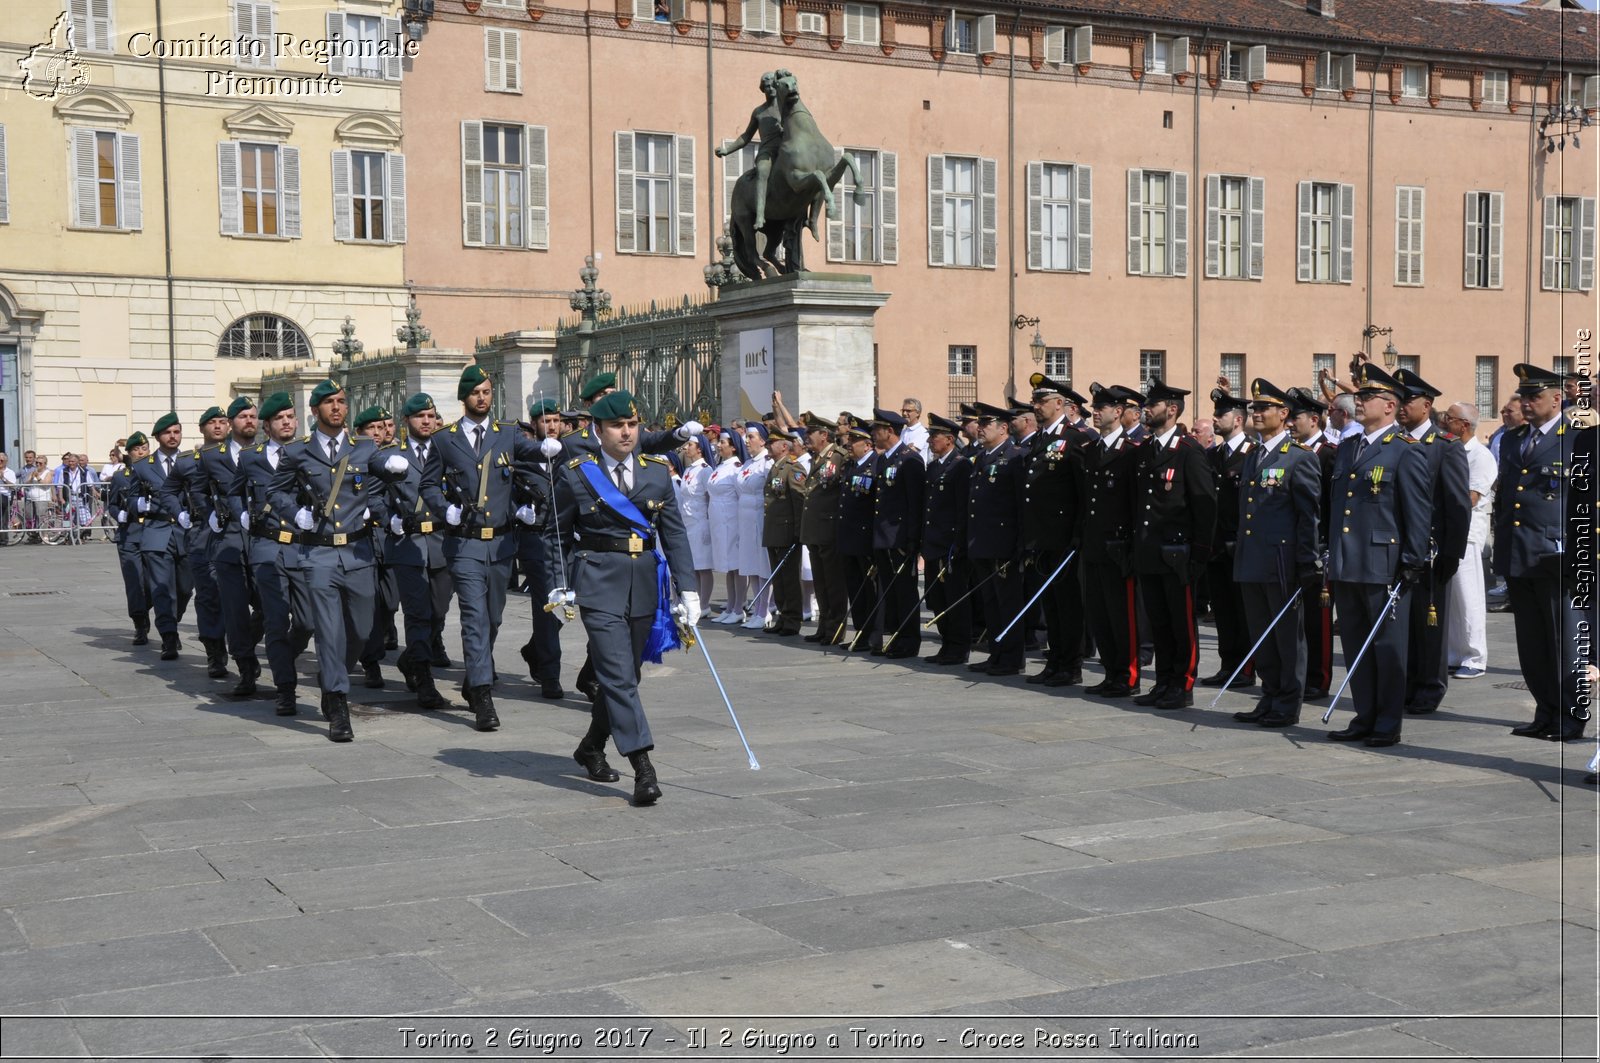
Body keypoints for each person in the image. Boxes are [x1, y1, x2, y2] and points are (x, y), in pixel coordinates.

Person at [545, 390, 698, 806]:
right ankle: (643, 766)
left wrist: (689, 590)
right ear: (598, 430)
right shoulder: (576, 473)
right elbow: (556, 534)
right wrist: (559, 583)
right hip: (597, 583)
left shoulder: (656, 473)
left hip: (645, 582)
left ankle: (591, 746)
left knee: (625, 679)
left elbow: (675, 534)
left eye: (632, 424)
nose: (627, 432)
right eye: (617, 426)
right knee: (615, 675)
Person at [269, 380, 410, 741]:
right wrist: (294, 513)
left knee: (361, 631)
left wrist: (396, 462)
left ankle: (335, 676)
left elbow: (381, 462)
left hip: (358, 553)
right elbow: (276, 491)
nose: (337, 407)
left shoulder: (363, 447)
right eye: (329, 403)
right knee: (329, 631)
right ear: (315, 411)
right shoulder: (298, 452)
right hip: (318, 553)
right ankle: (337, 701)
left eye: (341, 401)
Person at [420, 365, 546, 732]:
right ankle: (483, 695)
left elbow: (534, 452)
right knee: (474, 619)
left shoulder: (506, 435)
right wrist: (447, 510)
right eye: (476, 392)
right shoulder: (445, 439)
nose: (482, 398)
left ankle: (475, 675)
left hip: (503, 544)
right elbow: (428, 486)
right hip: (465, 544)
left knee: (492, 619)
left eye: (487, 392)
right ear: (464, 397)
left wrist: (554, 446)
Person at [1325, 363, 1432, 747]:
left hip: (1383, 565)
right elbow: (1338, 508)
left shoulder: (1405, 451)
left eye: (1367, 397)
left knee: (1387, 648)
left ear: (1389, 406)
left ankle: (1388, 721)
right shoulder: (1349, 447)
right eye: (1359, 396)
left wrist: (1412, 561)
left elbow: (1417, 513)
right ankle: (1364, 714)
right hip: (1347, 562)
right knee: (1355, 644)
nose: (1359, 402)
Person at [1495, 364, 1588, 742]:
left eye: (1535, 397)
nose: (1527, 403)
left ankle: (1571, 716)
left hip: (1556, 556)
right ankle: (1545, 711)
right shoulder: (1515, 439)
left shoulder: (1577, 438)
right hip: (1520, 553)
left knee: (1564, 644)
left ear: (1556, 398)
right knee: (1531, 643)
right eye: (1524, 396)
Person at [1230, 380, 1322, 728]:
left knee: (1287, 637)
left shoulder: (1299, 457)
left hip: (1282, 563)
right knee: (1261, 634)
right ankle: (1268, 695)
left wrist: (1306, 560)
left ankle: (1287, 702)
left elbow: (1307, 516)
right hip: (1252, 559)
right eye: (1254, 408)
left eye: (1263, 408)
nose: (1256, 413)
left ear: (1284, 414)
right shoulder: (1254, 455)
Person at [1131, 378, 1216, 710]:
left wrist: (1199, 554)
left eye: (1152, 405)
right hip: (1150, 551)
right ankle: (1164, 680)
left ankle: (1183, 684)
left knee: (1181, 624)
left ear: (1171, 409)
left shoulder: (1188, 450)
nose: (1146, 410)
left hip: (1178, 554)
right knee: (1159, 622)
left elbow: (1205, 505)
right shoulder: (1149, 449)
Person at [1393, 368, 1471, 717]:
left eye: (1407, 400)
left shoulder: (1445, 446)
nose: (1401, 406)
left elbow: (1457, 504)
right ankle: (1406, 682)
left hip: (1432, 549)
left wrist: (1451, 553)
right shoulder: (1394, 442)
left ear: (1426, 405)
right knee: (1402, 623)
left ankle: (1429, 685)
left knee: (1430, 623)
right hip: (1398, 548)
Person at [230, 392, 312, 717]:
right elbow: (235, 492)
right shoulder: (251, 458)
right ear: (268, 425)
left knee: (308, 621)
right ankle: (286, 688)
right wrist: (241, 515)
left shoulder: (308, 453)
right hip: (266, 547)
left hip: (302, 544)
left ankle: (282, 657)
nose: (287, 422)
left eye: (291, 416)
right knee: (275, 621)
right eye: (280, 418)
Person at [1022, 373, 1092, 687]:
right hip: (1043, 535)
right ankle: (1055, 660)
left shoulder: (1075, 437)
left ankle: (1071, 664)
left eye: (1042, 401)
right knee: (1050, 602)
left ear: (1060, 403)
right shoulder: (1040, 438)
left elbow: (1083, 491)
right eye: (1035, 401)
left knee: (1068, 603)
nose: (1035, 406)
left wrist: (1078, 533)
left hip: (1065, 536)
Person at [386, 393, 454, 710]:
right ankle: (425, 681)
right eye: (419, 416)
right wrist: (391, 519)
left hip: (441, 542)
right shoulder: (391, 455)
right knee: (418, 613)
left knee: (438, 612)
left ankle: (410, 657)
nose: (426, 421)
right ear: (406, 422)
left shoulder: (447, 450)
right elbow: (373, 498)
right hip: (407, 544)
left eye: (430, 415)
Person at [1080, 385, 1143, 698]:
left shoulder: (1131, 450)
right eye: (1094, 407)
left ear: (1118, 412)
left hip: (1118, 547)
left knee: (1122, 616)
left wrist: (1130, 545)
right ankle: (1110, 672)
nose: (1095, 412)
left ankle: (1128, 675)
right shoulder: (1092, 449)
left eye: (1101, 408)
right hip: (1093, 545)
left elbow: (1134, 502)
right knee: (1100, 614)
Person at [161, 406, 234, 677]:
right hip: (202, 535)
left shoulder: (242, 457)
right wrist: (180, 513)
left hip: (237, 534)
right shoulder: (188, 460)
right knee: (208, 596)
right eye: (212, 423)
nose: (218, 426)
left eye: (222, 422)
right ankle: (215, 651)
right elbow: (168, 491)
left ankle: (243, 639)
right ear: (202, 429)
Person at [202, 396, 265, 696]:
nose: (249, 421)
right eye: (243, 417)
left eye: (253, 416)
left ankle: (248, 645)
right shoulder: (212, 456)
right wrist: (207, 513)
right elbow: (187, 487)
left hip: (264, 540)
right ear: (230, 423)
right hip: (228, 542)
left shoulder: (271, 453)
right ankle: (245, 666)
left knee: (271, 607)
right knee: (235, 609)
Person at [1200, 388, 1257, 689]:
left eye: (1220, 414)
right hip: (1216, 547)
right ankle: (1228, 664)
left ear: (1237, 420)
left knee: (1243, 612)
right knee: (1222, 610)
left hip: (1241, 547)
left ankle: (1246, 668)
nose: (1214, 418)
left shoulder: (1252, 454)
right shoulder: (1212, 455)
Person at [1287, 386, 1338, 700]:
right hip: (1291, 544)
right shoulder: (1293, 452)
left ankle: (1318, 678)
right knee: (1295, 618)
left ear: (1315, 419)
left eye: (1296, 417)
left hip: (1319, 547)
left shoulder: (1329, 454)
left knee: (1318, 618)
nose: (1290, 423)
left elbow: (1331, 505)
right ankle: (1297, 673)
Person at [965, 403, 1023, 675]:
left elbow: (1018, 505)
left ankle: (1011, 658)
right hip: (982, 542)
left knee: (1007, 603)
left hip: (1002, 544)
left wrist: (1016, 545)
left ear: (1003, 428)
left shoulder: (1014, 457)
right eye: (980, 423)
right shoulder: (983, 457)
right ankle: (996, 653)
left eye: (986, 423)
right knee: (990, 603)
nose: (980, 428)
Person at [132, 413, 194, 660]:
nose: (173, 436)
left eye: (177, 432)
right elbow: (130, 499)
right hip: (157, 532)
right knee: (161, 588)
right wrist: (139, 504)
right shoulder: (142, 466)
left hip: (186, 533)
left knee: (184, 588)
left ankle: (172, 621)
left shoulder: (192, 462)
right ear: (158, 437)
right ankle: (168, 635)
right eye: (168, 433)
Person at [1442, 401, 1496, 680]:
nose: (1443, 421)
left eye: (1448, 418)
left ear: (1463, 425)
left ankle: (1475, 657)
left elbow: (1471, 497)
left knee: (1469, 597)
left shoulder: (1480, 456)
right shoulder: (1449, 450)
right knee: (1451, 600)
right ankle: (1454, 654)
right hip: (1448, 534)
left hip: (1468, 535)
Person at [868, 407, 925, 658]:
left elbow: (915, 504)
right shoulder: (885, 458)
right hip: (883, 537)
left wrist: (912, 540)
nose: (872, 433)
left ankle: (910, 641)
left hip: (900, 538)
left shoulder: (909, 459)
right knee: (891, 593)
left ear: (888, 431)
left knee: (905, 592)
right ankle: (897, 637)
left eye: (875, 429)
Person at [352, 405, 401, 691]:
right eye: (372, 428)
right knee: (367, 602)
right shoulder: (351, 456)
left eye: (381, 427)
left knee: (391, 601)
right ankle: (371, 662)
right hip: (360, 539)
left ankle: (377, 641)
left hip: (387, 536)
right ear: (360, 432)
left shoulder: (392, 458)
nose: (378, 432)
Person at [920, 412, 972, 664]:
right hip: (933, 543)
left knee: (954, 598)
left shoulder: (961, 466)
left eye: (935, 436)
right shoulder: (933, 466)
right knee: (936, 599)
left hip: (950, 544)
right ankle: (946, 643)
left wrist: (958, 543)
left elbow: (962, 509)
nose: (930, 441)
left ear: (949, 439)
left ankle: (959, 647)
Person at [798, 416, 847, 645]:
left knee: (833, 583)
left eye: (812, 432)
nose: (807, 437)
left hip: (828, 530)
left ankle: (835, 629)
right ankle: (823, 627)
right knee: (820, 582)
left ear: (824, 435)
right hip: (815, 530)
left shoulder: (837, 456)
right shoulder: (817, 458)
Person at [715, 71, 785, 232]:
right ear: (763, 89)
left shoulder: (785, 108)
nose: (770, 89)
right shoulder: (759, 112)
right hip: (768, 151)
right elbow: (746, 136)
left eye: (772, 85)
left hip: (785, 149)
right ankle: (760, 214)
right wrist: (727, 150)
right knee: (762, 170)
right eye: (766, 87)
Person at [106, 433, 152, 642]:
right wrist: (119, 514)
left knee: (158, 583)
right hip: (130, 534)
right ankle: (140, 623)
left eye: (144, 448)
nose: (141, 452)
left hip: (154, 533)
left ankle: (162, 616)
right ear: (129, 453)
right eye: (136, 449)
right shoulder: (120, 476)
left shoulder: (159, 473)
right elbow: (112, 504)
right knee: (135, 583)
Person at [836, 420, 878, 647]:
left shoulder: (875, 465)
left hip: (864, 539)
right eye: (849, 439)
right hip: (848, 538)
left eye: (855, 441)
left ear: (868, 445)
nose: (849, 444)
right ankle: (861, 632)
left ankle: (872, 635)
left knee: (868, 590)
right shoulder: (850, 466)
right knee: (854, 588)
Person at [761, 432, 805, 636]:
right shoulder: (776, 467)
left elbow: (798, 501)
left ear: (784, 446)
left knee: (789, 578)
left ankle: (792, 619)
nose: (768, 446)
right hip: (774, 531)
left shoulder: (793, 468)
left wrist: (797, 533)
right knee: (778, 578)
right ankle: (782, 615)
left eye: (772, 443)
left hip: (786, 531)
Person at [736, 424, 773, 629]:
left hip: (760, 516)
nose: (747, 441)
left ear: (763, 440)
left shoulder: (766, 464)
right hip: (746, 517)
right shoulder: (748, 463)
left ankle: (764, 610)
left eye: (751, 437)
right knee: (751, 565)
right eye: (747, 437)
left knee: (762, 566)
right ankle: (757, 607)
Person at [708, 430, 745, 621]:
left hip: (731, 520)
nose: (719, 445)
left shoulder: (736, 467)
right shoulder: (721, 466)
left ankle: (739, 608)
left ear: (733, 446)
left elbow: (741, 495)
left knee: (736, 566)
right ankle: (730, 606)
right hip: (719, 522)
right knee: (728, 566)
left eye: (723, 442)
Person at [677, 432, 715, 604]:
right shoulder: (689, 469)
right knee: (693, 566)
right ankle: (697, 599)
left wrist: (708, 523)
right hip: (688, 521)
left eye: (690, 445)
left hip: (700, 521)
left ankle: (705, 603)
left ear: (699, 449)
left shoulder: (705, 470)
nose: (686, 448)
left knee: (703, 566)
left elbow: (710, 498)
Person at [899, 398, 930, 463]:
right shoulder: (903, 431)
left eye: (908, 411)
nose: (904, 413)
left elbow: (908, 453)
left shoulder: (922, 433)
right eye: (903, 410)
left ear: (918, 413)